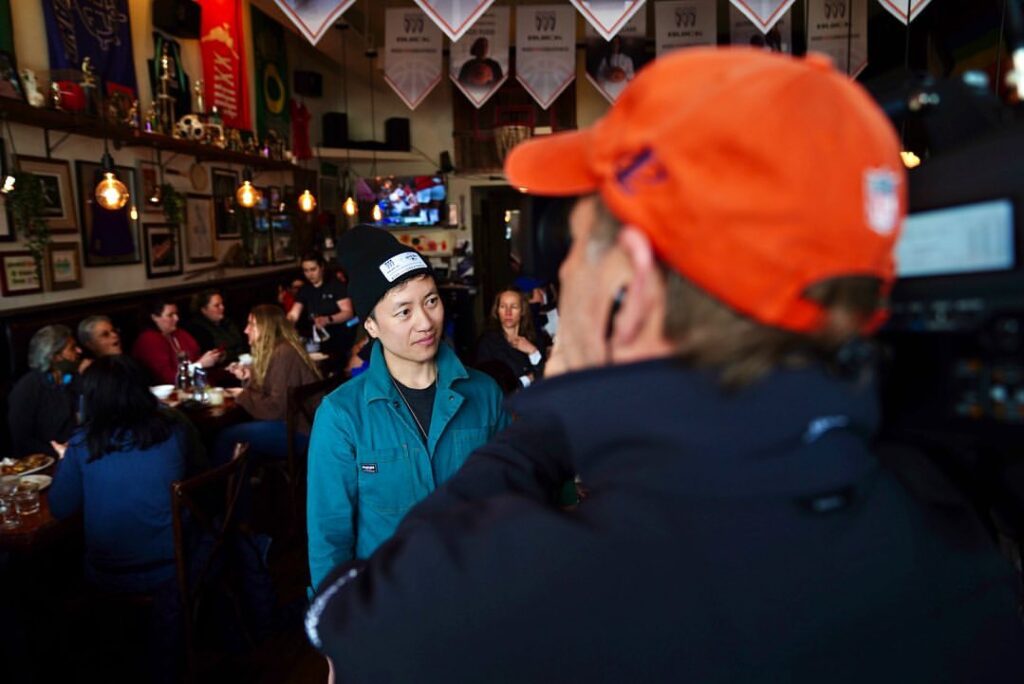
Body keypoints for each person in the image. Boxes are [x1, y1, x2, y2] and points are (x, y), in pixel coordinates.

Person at [304, 49, 1024, 681]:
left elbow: (347, 615)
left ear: (632, 284)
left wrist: (545, 421)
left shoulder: (538, 593)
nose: (557, 282)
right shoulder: (960, 556)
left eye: (576, 245)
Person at [306, 225, 508, 593]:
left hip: (481, 597)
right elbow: (329, 536)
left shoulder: (485, 395)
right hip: (390, 611)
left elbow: (513, 496)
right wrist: (332, 624)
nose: (425, 321)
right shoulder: (341, 416)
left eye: (431, 301)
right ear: (371, 325)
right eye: (403, 311)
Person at [49, 355, 190, 681]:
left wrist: (68, 461)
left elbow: (60, 508)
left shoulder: (84, 443)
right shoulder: (173, 430)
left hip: (110, 573)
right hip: (174, 567)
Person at [212, 304, 321, 464]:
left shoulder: (283, 353)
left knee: (226, 437)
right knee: (242, 447)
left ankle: (228, 489)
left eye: (251, 325)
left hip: (299, 432)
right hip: (298, 426)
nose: (246, 330)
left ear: (267, 328)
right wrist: (249, 375)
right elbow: (274, 390)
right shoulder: (282, 349)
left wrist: (241, 394)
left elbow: (275, 409)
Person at [7, 325, 81, 458]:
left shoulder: (75, 380)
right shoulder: (28, 388)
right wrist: (59, 452)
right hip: (44, 461)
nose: (79, 351)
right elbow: (22, 440)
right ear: (55, 357)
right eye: (72, 348)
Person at [131, 298, 222, 385]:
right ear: (154, 317)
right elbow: (168, 378)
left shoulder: (180, 333)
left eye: (176, 314)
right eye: (170, 315)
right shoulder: (148, 340)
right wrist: (200, 364)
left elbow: (197, 358)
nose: (176, 318)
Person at [475, 287, 549, 391]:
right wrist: (527, 380)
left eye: (514, 307)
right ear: (497, 311)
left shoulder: (535, 339)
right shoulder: (487, 343)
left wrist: (533, 352)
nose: (508, 312)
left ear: (522, 311)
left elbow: (547, 379)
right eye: (503, 307)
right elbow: (489, 385)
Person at [287, 252, 355, 359]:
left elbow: (348, 312)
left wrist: (327, 319)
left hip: (339, 339)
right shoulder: (305, 290)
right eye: (306, 270)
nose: (310, 274)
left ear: (322, 267)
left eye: (313, 269)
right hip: (316, 341)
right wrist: (286, 323)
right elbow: (294, 313)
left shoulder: (335, 286)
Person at [183, 289, 248, 364]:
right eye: (217, 306)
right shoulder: (197, 330)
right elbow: (216, 355)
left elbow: (242, 345)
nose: (222, 307)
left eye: (222, 304)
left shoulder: (228, 322)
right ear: (204, 310)